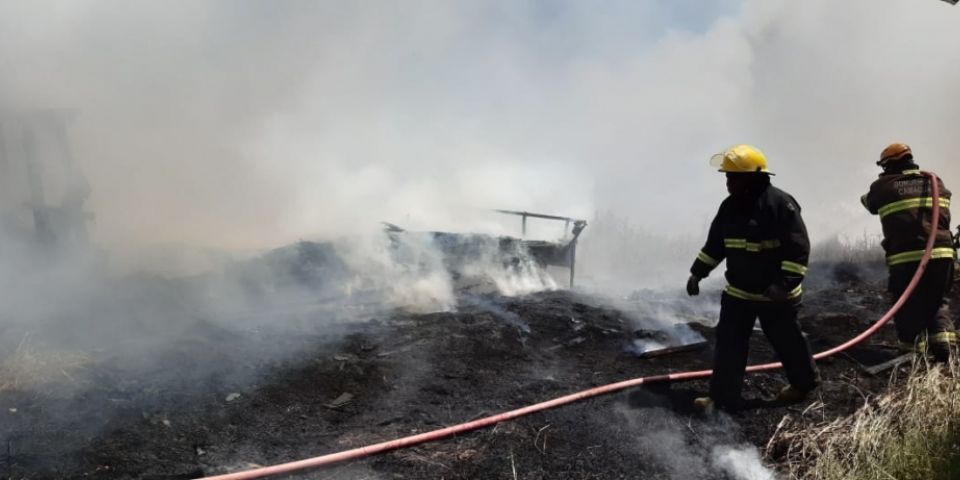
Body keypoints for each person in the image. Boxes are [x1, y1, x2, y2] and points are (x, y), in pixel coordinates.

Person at [687, 144, 819, 412]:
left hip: (776, 296)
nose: (727, 182)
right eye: (726, 176)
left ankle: (803, 385)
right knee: (729, 346)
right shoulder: (729, 207)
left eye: (733, 177)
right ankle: (721, 398)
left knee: (788, 342)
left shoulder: (781, 204)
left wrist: (783, 286)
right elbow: (715, 245)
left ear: (753, 177)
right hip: (739, 293)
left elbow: (798, 249)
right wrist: (697, 273)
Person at [861, 143, 956, 362]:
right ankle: (944, 352)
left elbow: (869, 204)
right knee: (937, 301)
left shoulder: (883, 186)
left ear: (890, 164)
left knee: (907, 302)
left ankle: (911, 353)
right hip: (941, 254)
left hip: (907, 257)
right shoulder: (935, 182)